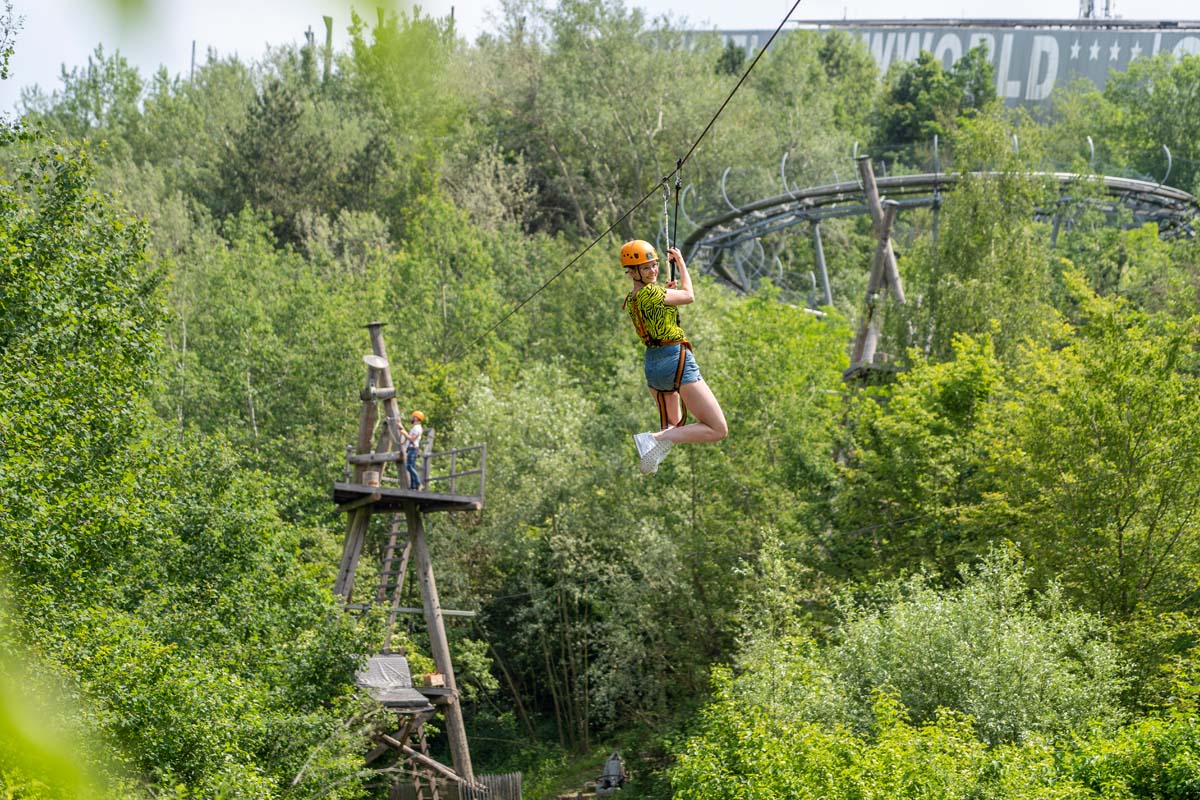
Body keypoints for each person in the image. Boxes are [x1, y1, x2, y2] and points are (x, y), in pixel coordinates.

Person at [621, 240, 727, 474]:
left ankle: (655, 445)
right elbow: (689, 296)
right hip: (674, 359)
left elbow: (659, 308)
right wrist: (680, 262)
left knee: (675, 427)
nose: (654, 271)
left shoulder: (633, 299)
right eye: (646, 268)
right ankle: (651, 438)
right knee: (717, 429)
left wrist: (669, 293)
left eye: (655, 265)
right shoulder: (652, 292)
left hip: (653, 366)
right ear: (632, 272)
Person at [405, 410, 425, 489]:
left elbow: (412, 439)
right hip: (411, 448)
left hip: (412, 449)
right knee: (411, 466)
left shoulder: (417, 428)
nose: (412, 418)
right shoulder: (416, 428)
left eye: (413, 416)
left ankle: (418, 483)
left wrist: (403, 433)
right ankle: (413, 487)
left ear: (416, 418)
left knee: (409, 467)